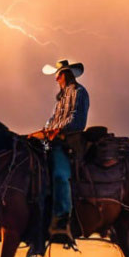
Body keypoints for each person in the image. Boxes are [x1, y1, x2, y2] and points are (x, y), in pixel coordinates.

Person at [39, 59, 90, 239]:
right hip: (55, 139)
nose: (55, 78)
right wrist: (46, 129)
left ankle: (62, 218)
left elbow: (77, 121)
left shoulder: (79, 92)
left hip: (69, 142)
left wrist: (57, 130)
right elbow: (52, 119)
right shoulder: (60, 98)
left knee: (60, 174)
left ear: (65, 75)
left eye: (57, 74)